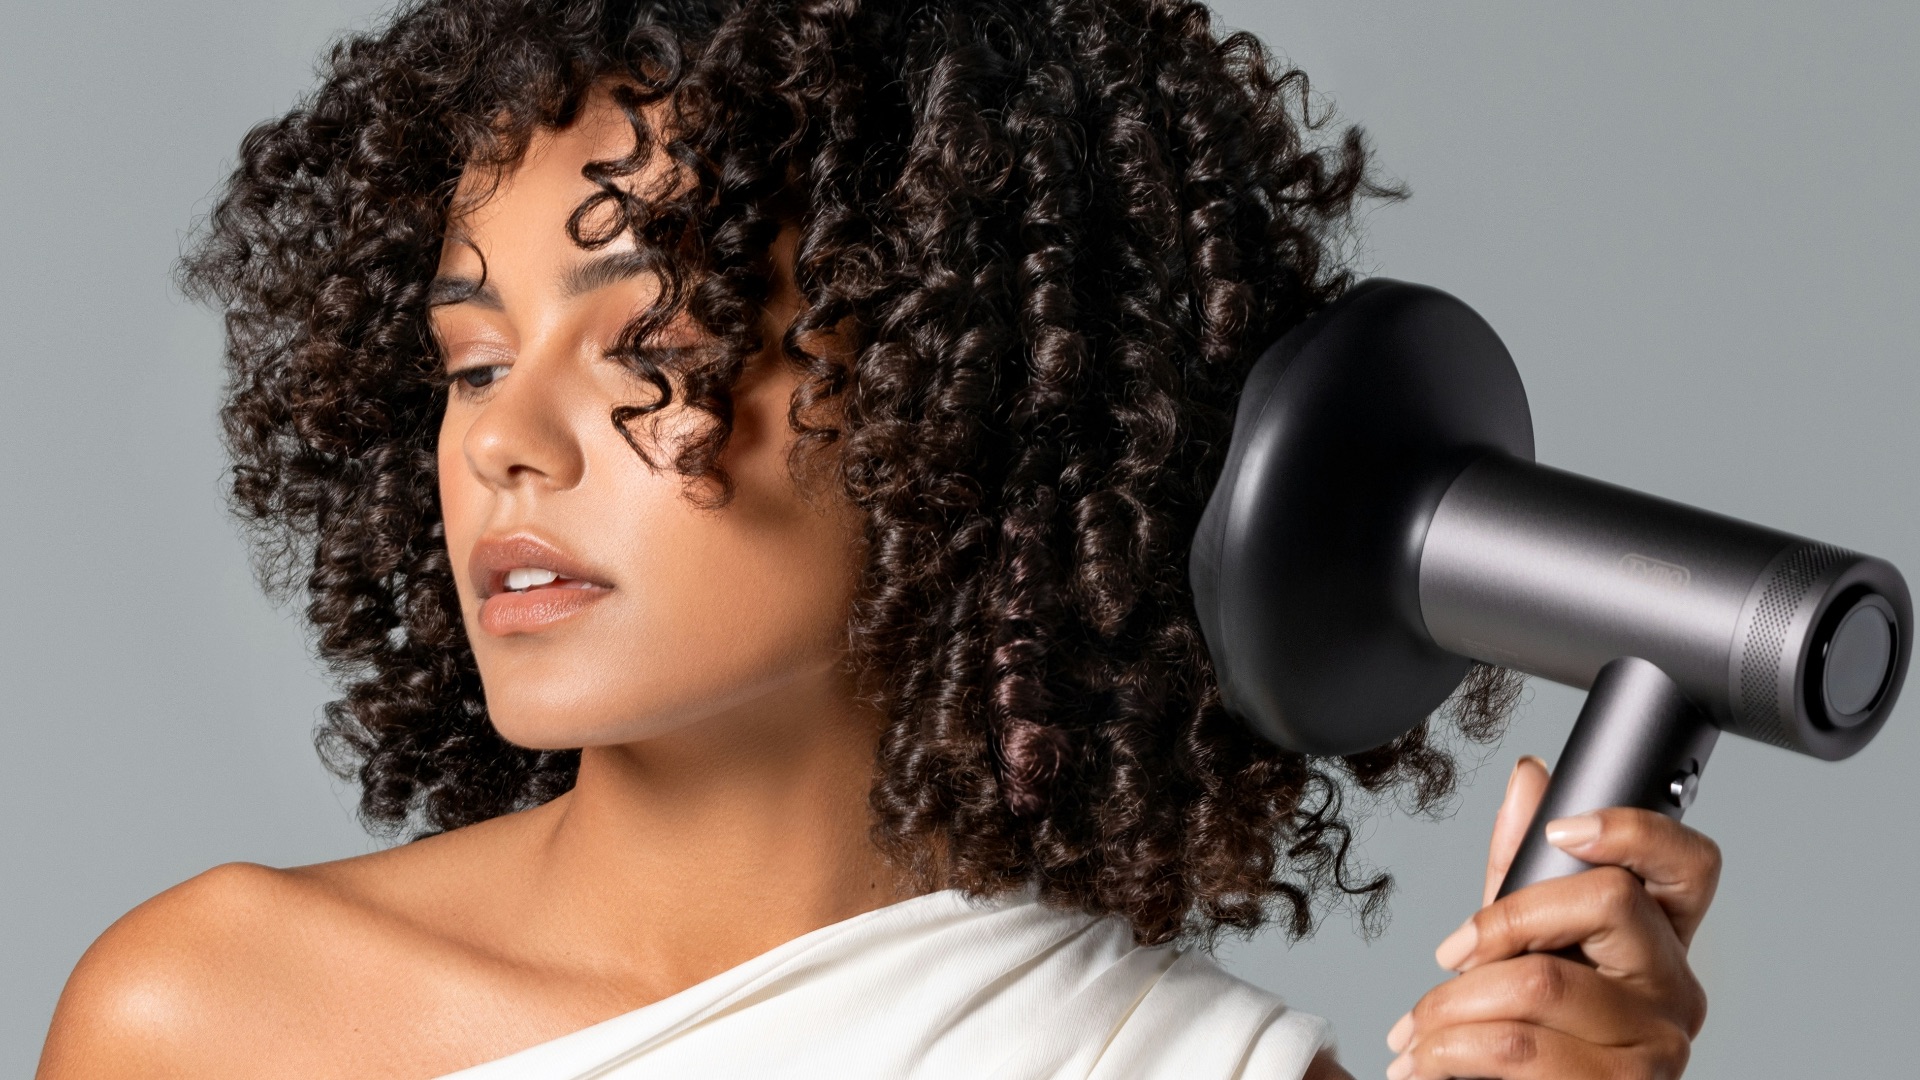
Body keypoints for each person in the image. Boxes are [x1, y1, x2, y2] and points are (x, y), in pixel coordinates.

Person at [36, 2, 1721, 1077]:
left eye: (656, 355)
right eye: (471, 361)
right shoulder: (210, 1017)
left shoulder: (1167, 1069)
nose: (500, 441)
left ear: (961, 397)